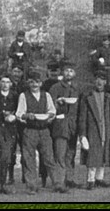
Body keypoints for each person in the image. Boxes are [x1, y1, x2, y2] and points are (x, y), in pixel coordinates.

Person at [14, 71, 63, 195]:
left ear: (40, 83)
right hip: (30, 130)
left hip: (44, 130)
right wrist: (26, 115)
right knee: (29, 159)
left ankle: (57, 183)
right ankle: (32, 186)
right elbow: (19, 113)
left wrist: (50, 116)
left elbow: (52, 111)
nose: (34, 84)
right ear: (28, 83)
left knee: (49, 158)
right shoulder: (23, 96)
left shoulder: (46, 95)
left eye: (36, 82)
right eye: (31, 82)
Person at [77, 71, 110, 190]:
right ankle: (90, 180)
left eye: (102, 79)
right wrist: (83, 134)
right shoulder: (87, 96)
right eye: (97, 79)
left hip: (105, 128)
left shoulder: (108, 97)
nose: (99, 81)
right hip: (92, 129)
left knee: (104, 153)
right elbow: (82, 116)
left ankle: (100, 178)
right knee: (93, 154)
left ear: (105, 82)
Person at [48, 62, 80, 190]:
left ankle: (69, 179)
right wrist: (58, 102)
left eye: (71, 71)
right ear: (62, 72)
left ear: (75, 73)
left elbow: (79, 107)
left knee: (71, 153)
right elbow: (50, 106)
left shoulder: (77, 89)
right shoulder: (55, 88)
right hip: (60, 124)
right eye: (66, 70)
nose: (69, 73)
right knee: (60, 153)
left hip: (73, 125)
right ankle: (59, 182)